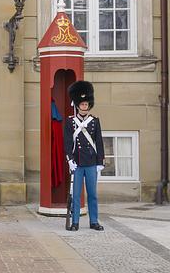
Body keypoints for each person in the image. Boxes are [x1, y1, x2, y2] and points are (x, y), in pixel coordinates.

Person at [64, 80, 105, 231]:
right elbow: (68, 142)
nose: (84, 106)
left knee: (92, 194)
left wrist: (100, 161)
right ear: (77, 105)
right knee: (76, 194)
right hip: (78, 163)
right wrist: (69, 159)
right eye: (81, 104)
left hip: (91, 163)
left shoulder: (94, 121)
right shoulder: (70, 122)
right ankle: (75, 222)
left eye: (86, 104)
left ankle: (94, 221)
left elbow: (99, 142)